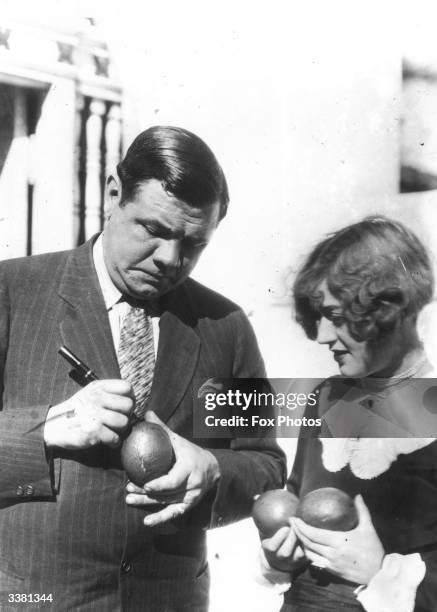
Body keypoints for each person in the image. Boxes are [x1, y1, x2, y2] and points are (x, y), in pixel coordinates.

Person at [0, 125, 286, 611]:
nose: (170, 260)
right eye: (153, 230)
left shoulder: (225, 325)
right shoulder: (12, 293)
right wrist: (45, 430)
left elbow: (266, 466)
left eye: (194, 243)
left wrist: (213, 470)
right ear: (113, 194)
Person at [259, 216, 437, 611]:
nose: (323, 335)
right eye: (321, 316)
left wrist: (379, 572)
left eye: (339, 318)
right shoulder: (326, 398)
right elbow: (297, 496)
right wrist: (281, 551)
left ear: (390, 310)